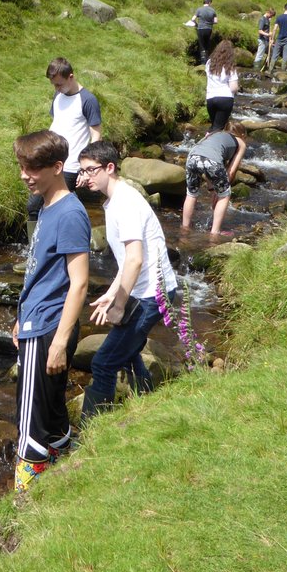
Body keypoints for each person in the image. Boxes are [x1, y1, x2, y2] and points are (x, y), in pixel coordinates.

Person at [12, 130, 90, 491]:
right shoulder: (45, 204)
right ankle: (63, 478)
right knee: (53, 411)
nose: (25, 175)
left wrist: (59, 341)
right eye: (22, 166)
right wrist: (19, 317)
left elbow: (79, 283)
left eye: (33, 168)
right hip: (36, 318)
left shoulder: (70, 214)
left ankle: (21, 506)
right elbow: (40, 270)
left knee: (29, 422)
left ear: (58, 167)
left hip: (48, 327)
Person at [77, 141, 177, 422]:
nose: (85, 177)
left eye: (91, 170)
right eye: (83, 171)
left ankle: (93, 431)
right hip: (148, 289)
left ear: (110, 168)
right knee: (130, 351)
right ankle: (147, 406)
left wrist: (119, 305)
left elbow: (135, 260)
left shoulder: (125, 202)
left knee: (103, 362)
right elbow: (127, 261)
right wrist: (112, 292)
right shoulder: (114, 199)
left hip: (152, 295)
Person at [24, 58, 102, 236]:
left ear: (71, 77)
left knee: (41, 206)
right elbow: (58, 123)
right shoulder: (58, 95)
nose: (56, 89)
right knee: (35, 207)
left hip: (71, 166)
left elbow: (96, 136)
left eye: (59, 84)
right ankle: (37, 250)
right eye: (54, 85)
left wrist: (86, 170)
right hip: (49, 161)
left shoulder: (88, 100)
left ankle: (45, 251)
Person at [181, 124, 247, 237]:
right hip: (212, 160)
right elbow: (231, 171)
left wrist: (213, 189)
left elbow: (204, 160)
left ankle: (185, 228)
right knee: (225, 195)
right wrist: (221, 191)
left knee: (191, 194)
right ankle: (215, 232)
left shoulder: (214, 134)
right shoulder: (240, 142)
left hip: (192, 157)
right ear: (242, 134)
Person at [204, 39, 241, 132]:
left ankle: (208, 141)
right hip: (225, 98)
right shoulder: (230, 66)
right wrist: (238, 88)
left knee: (214, 125)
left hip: (210, 98)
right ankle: (210, 143)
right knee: (218, 128)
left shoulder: (209, 63)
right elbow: (233, 88)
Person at [192, 0, 217, 64]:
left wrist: (196, 24)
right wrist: (210, 23)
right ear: (209, 2)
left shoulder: (199, 9)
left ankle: (203, 61)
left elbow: (193, 19)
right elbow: (215, 21)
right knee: (207, 44)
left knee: (202, 44)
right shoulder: (213, 10)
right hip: (209, 29)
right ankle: (207, 61)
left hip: (200, 29)